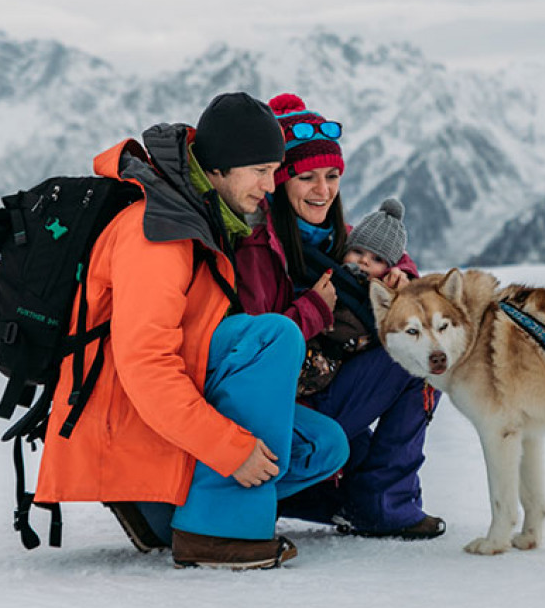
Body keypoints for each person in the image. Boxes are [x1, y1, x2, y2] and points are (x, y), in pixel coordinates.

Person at [33, 92, 350, 570]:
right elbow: (146, 365)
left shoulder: (202, 213)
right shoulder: (156, 232)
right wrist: (231, 450)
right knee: (272, 337)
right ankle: (221, 533)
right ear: (219, 169)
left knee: (323, 447)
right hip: (125, 415)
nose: (272, 184)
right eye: (261, 171)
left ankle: (164, 511)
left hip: (165, 408)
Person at [235, 93, 445, 540]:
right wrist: (312, 309)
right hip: (288, 402)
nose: (323, 190)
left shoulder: (330, 236)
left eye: (332, 176)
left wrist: (401, 276)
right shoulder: (260, 247)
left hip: (321, 385)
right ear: (278, 181)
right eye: (306, 177)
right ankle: (381, 505)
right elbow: (256, 350)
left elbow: (387, 255)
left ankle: (361, 497)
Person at [296, 197, 410, 397]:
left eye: (377, 259)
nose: (364, 261)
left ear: (388, 269)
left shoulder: (380, 295)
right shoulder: (332, 274)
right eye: (357, 251)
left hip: (339, 364)